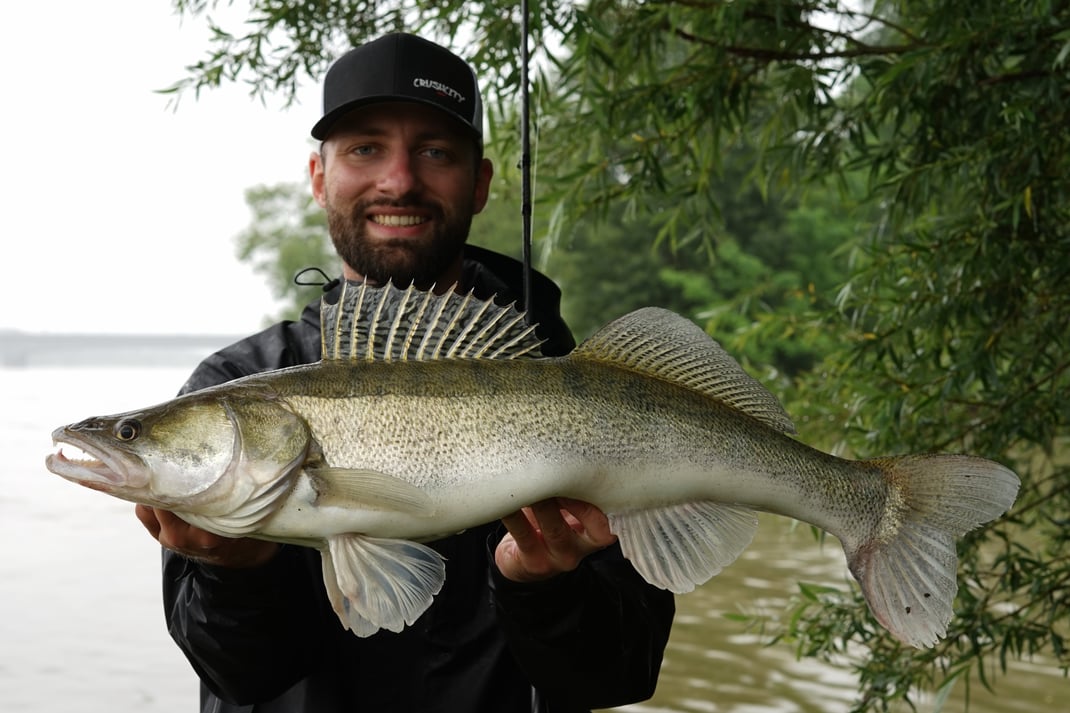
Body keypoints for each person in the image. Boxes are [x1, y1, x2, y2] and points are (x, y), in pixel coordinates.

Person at [135, 32, 675, 713]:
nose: (399, 180)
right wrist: (234, 570)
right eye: (365, 148)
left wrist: (545, 586)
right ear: (319, 177)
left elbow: (620, 676)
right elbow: (240, 678)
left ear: (480, 183)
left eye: (436, 151)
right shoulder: (239, 381)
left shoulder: (572, 382)